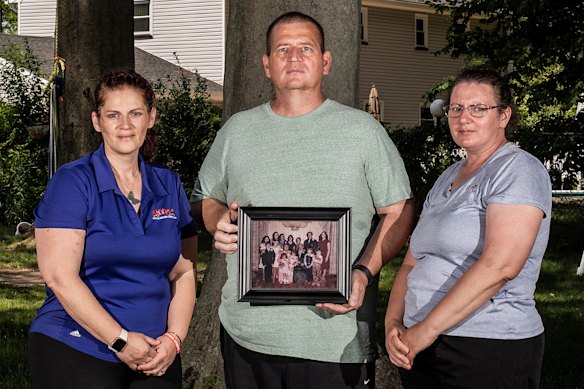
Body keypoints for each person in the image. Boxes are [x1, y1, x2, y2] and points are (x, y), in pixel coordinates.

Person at [191, 11, 413, 389]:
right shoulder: (237, 131)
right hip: (247, 336)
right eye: (283, 49)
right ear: (266, 65)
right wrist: (216, 220)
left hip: (332, 343)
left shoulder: (363, 131)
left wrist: (362, 273)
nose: (294, 58)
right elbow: (203, 197)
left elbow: (400, 210)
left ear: (325, 62)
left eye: (305, 48)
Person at [28, 69, 197, 389]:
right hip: (78, 345)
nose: (125, 125)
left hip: (154, 352)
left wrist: (174, 339)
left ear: (151, 118)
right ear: (97, 121)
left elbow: (184, 271)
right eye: (113, 114)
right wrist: (120, 341)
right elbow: (59, 278)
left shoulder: (169, 184)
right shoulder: (73, 182)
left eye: (135, 113)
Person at [385, 66, 552, 389]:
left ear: (503, 116)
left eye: (478, 108)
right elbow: (411, 261)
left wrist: (426, 330)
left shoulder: (518, 170)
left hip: (486, 345)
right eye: (456, 108)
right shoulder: (449, 175)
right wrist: (394, 323)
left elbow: (500, 266)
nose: (464, 118)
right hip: (421, 344)